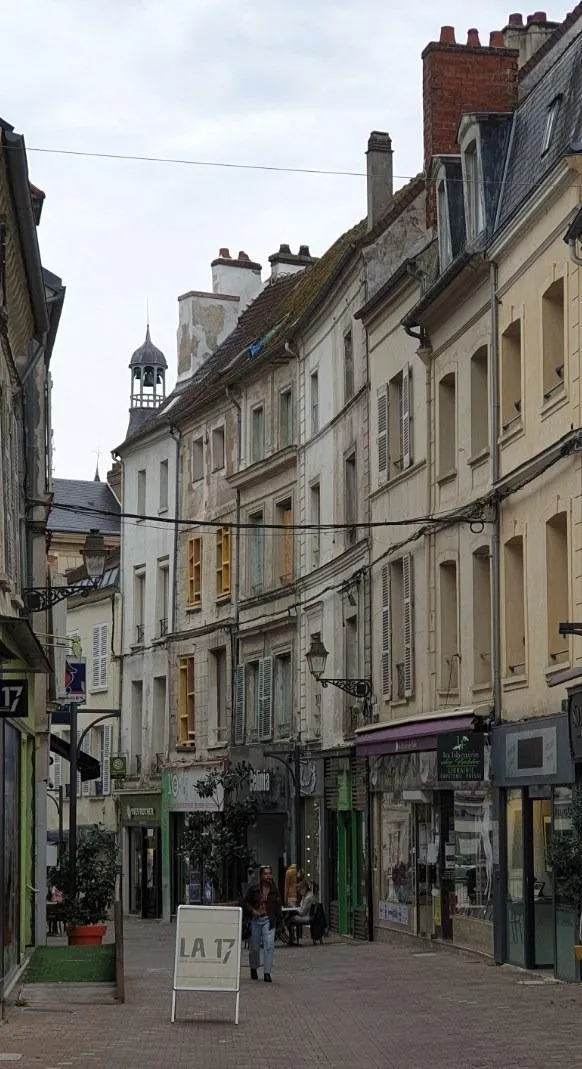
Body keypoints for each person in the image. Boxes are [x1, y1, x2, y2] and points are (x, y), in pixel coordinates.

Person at [244, 865, 282, 982]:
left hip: (269, 920)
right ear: (261, 876)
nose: (268, 876)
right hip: (256, 920)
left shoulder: (274, 890)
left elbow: (278, 905)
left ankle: (267, 972)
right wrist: (253, 911)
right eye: (265, 874)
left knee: (269, 945)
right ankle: (254, 967)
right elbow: (245, 902)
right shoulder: (254, 889)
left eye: (269, 873)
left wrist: (279, 920)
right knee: (254, 947)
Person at [288, 880, 316, 945]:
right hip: (306, 915)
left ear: (304, 888)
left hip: (308, 916)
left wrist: (294, 907)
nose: (299, 892)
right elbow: (301, 907)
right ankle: (292, 938)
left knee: (291, 919)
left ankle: (292, 938)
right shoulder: (305, 896)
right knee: (289, 918)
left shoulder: (308, 897)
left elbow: (302, 912)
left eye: (300, 890)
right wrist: (295, 906)